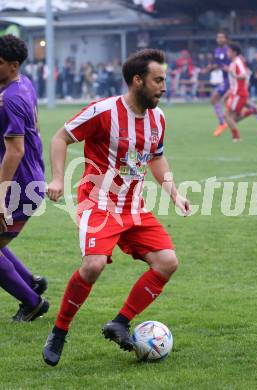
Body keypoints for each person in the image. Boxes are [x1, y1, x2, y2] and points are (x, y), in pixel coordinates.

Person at [42, 49, 190, 366]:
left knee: (167, 262)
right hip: (98, 204)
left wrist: (174, 194)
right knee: (93, 266)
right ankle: (59, 330)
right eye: (158, 80)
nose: (164, 86)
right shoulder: (104, 111)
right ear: (138, 80)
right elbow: (59, 138)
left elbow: (156, 157)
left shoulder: (158, 118)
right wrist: (57, 178)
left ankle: (120, 322)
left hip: (132, 207)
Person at [0, 34, 49, 321]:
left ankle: (32, 302)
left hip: (19, 187)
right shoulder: (22, 83)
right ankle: (30, 282)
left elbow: (15, 151)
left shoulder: (11, 99)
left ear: (13, 65)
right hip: (27, 180)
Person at [224, 42, 257, 141]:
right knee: (233, 118)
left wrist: (235, 76)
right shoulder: (234, 63)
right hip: (236, 92)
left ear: (234, 52)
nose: (227, 53)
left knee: (227, 116)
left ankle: (236, 137)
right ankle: (252, 111)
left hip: (238, 93)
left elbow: (244, 75)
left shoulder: (237, 62)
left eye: (228, 51)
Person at [209, 32, 231, 137]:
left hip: (232, 80)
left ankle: (223, 123)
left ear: (226, 39)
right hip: (226, 80)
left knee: (215, 99)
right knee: (215, 99)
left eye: (222, 37)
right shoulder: (216, 51)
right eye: (218, 37)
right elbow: (219, 64)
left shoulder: (230, 50)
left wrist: (228, 68)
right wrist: (211, 67)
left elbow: (232, 64)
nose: (219, 39)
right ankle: (222, 123)